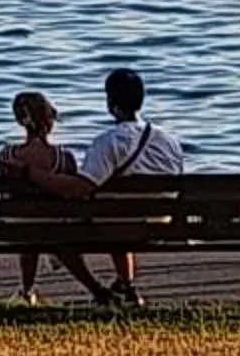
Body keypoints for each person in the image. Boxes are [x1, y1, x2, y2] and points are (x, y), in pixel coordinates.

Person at [28, 68, 187, 306]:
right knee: (119, 210)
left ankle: (99, 292)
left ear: (110, 102)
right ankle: (126, 287)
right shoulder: (169, 141)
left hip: (117, 222)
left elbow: (79, 188)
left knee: (55, 234)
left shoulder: (109, 141)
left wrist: (35, 175)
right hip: (160, 222)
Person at [0, 92, 105, 304]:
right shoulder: (64, 157)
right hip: (55, 225)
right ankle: (97, 290)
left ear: (20, 121)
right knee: (49, 229)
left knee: (30, 229)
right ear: (49, 121)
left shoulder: (7, 156)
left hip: (17, 225)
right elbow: (72, 196)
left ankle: (27, 291)